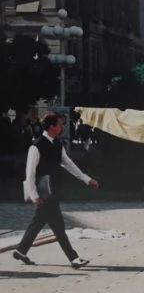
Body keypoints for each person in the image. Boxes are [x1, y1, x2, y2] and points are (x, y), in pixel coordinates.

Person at [14, 112, 98, 269]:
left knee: (39, 222)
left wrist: (86, 179)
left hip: (53, 189)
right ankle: (74, 259)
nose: (62, 127)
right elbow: (30, 171)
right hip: (44, 192)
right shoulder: (36, 145)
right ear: (51, 126)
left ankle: (21, 251)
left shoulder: (57, 144)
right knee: (58, 226)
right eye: (60, 124)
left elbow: (68, 164)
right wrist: (33, 194)